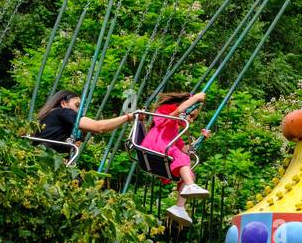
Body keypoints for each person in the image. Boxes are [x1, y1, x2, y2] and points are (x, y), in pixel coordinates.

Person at [139, 91, 210, 225]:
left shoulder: (175, 130)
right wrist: (195, 98)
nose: (191, 120)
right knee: (181, 157)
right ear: (185, 108)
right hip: (155, 145)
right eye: (191, 116)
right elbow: (176, 112)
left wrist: (201, 139)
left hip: (165, 148)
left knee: (190, 174)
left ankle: (179, 207)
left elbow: (185, 149)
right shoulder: (165, 111)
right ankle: (190, 186)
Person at [30, 89, 133, 155]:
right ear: (63, 103)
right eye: (77, 105)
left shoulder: (50, 116)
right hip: (49, 160)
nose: (79, 111)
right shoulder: (63, 112)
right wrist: (128, 117)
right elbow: (100, 127)